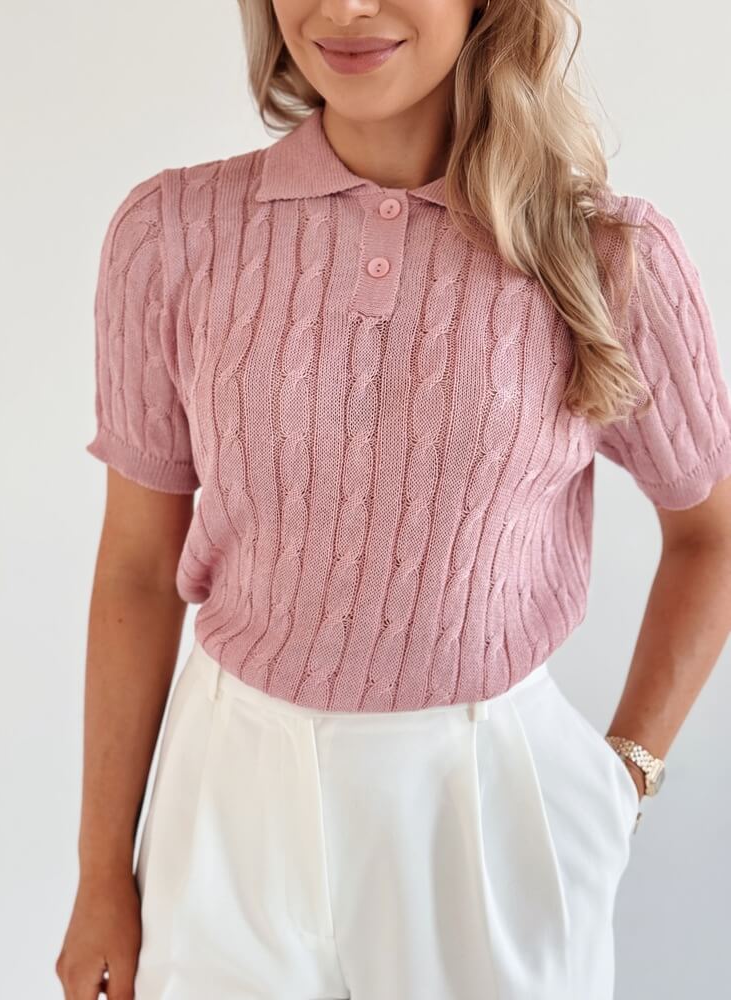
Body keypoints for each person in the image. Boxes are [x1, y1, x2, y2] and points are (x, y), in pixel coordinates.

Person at [56, 2, 731, 998]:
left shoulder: (602, 254)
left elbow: (712, 535)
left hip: (484, 805)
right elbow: (136, 570)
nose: (343, 9)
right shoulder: (173, 235)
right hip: (228, 799)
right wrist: (100, 871)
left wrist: (624, 776)